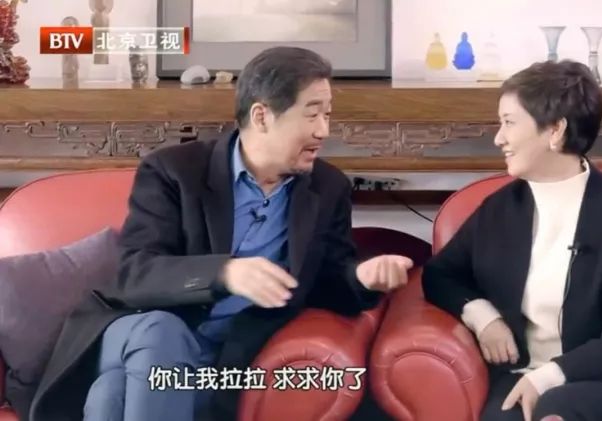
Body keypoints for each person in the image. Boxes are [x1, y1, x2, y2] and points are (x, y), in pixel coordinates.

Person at [20, 46, 413, 421]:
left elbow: (325, 281)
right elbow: (135, 273)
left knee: (110, 395)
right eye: (312, 115)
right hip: (139, 329)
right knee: (161, 334)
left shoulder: (327, 189)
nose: (323, 130)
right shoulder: (174, 172)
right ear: (262, 116)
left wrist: (361, 278)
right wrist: (225, 273)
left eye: (327, 115)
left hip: (222, 355)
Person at [422, 60, 602, 421]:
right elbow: (439, 274)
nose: (499, 138)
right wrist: (484, 318)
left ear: (555, 130)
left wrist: (549, 377)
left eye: (509, 122)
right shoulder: (499, 209)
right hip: (524, 373)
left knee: (560, 409)